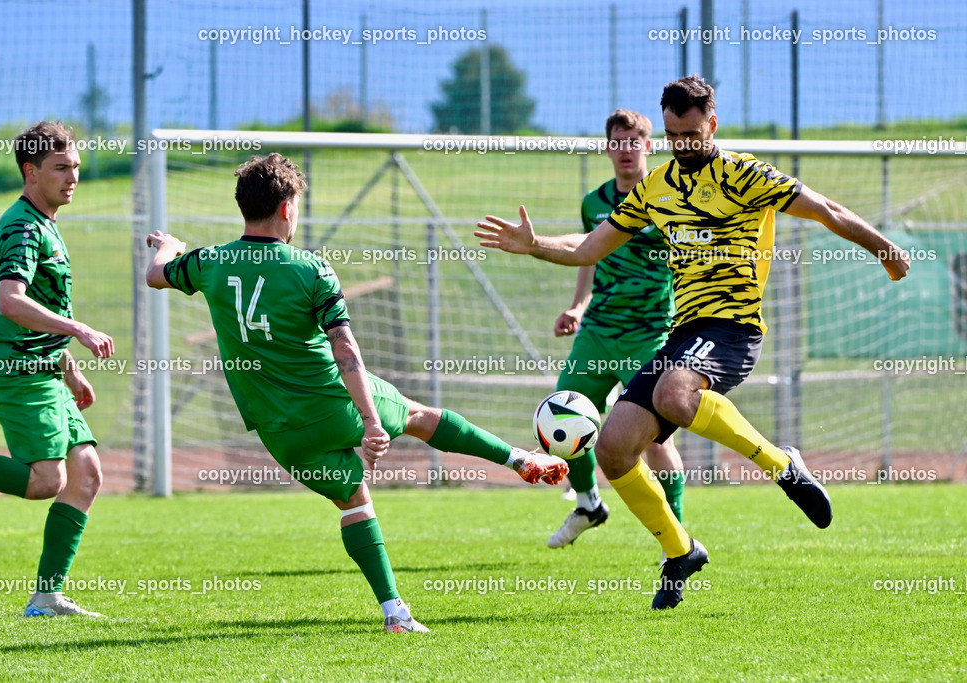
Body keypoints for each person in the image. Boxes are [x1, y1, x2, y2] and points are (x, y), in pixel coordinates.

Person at [476, 74, 911, 609]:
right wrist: (536, 244)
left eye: (691, 134)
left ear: (712, 123)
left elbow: (827, 210)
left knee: (674, 396)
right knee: (614, 450)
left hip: (732, 329)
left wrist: (882, 247)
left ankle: (782, 465)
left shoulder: (744, 175)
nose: (683, 145)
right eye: (673, 135)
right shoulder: (654, 187)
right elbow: (590, 249)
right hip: (685, 334)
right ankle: (680, 551)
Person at [145, 153, 568, 633]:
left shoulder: (209, 263)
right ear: (287, 209)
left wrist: (167, 246)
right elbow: (344, 348)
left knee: (354, 502)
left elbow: (156, 275)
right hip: (333, 403)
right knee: (416, 415)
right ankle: (519, 459)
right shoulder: (310, 268)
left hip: (277, 429)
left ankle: (394, 612)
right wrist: (369, 420)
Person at [0, 121, 115, 617]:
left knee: (86, 474)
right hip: (15, 372)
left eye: (76, 167)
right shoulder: (22, 226)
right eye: (61, 168)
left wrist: (67, 367)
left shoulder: (44, 223)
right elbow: (12, 302)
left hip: (42, 369)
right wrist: (79, 329)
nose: (72, 177)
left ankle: (46, 599)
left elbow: (37, 309)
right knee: (46, 481)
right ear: (30, 171)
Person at [547, 109, 686, 550]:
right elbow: (589, 253)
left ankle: (677, 538)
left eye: (634, 142)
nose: (626, 150)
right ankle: (589, 504)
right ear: (608, 148)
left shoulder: (669, 198)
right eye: (618, 142)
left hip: (650, 335)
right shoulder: (594, 203)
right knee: (562, 421)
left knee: (655, 443)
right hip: (598, 331)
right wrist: (576, 305)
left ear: (648, 146)